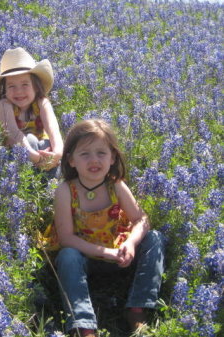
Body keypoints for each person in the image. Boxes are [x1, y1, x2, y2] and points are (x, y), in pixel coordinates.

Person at [52, 119, 165, 337]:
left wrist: (130, 244)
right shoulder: (66, 190)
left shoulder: (116, 184)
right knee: (67, 256)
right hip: (87, 259)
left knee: (155, 238)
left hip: (122, 255)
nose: (93, 160)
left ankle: (137, 309)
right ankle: (84, 325)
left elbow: (141, 220)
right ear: (71, 160)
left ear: (112, 157)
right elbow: (66, 238)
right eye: (84, 154)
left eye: (101, 153)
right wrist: (106, 253)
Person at [0, 47, 63, 179]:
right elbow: (14, 133)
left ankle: (52, 189)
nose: (18, 91)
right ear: (4, 89)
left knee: (54, 147)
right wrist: (35, 157)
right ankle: (31, 189)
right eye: (11, 86)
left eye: (25, 84)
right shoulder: (4, 104)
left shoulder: (42, 103)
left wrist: (57, 154)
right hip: (13, 156)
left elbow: (54, 130)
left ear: (36, 87)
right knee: (30, 139)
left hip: (42, 152)